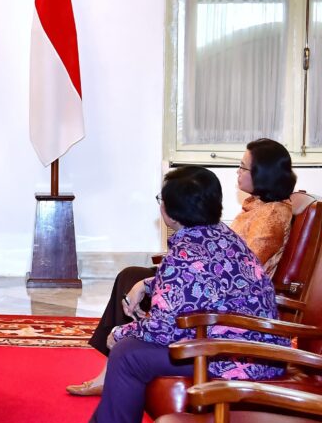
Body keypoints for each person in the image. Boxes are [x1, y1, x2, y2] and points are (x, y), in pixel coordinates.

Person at [37, 165, 289, 423]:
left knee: (128, 354)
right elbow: (201, 283)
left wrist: (120, 331)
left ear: (170, 211)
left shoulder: (185, 248)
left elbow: (164, 329)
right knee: (130, 348)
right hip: (251, 348)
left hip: (234, 356)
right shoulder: (222, 235)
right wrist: (148, 283)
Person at [66, 137, 295, 397]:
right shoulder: (255, 208)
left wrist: (171, 271)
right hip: (212, 282)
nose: (238, 172)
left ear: (262, 174)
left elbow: (235, 270)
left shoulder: (271, 215)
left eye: (243, 167)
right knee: (131, 277)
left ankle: (116, 362)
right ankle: (112, 367)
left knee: (133, 278)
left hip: (225, 298)